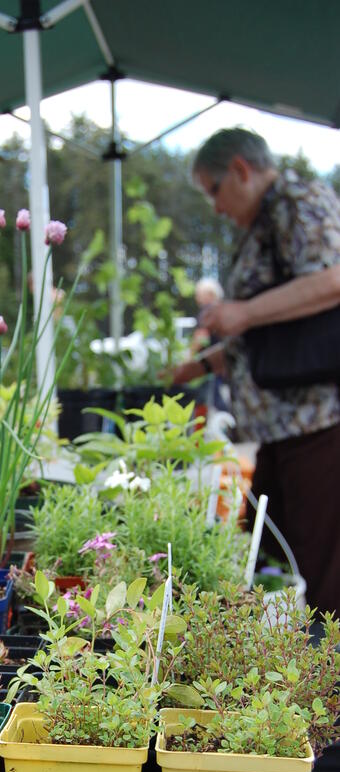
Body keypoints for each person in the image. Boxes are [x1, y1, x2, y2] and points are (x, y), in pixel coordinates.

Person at [171, 127, 340, 617]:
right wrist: (203, 363)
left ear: (240, 171)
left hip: (317, 423)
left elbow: (332, 280)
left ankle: (325, 677)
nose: (216, 208)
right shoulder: (266, 219)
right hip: (283, 429)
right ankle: (252, 644)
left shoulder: (298, 200)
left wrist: (241, 312)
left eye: (214, 191)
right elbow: (273, 336)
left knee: (325, 567)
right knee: (263, 548)